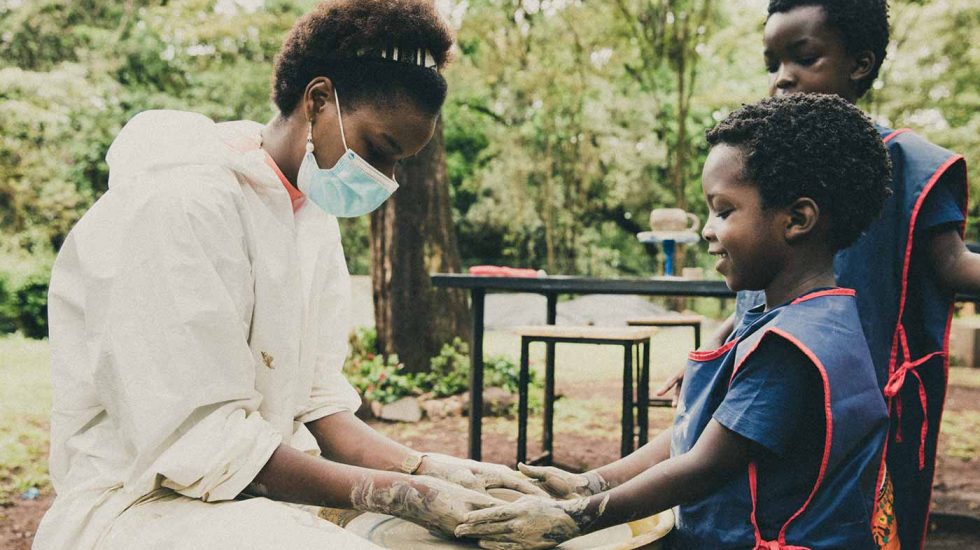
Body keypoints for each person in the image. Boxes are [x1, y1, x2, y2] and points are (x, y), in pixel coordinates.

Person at [34, 2, 544, 549]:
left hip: (245, 497)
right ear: (318, 100)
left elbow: (318, 406)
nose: (386, 179)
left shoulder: (307, 217)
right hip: (135, 504)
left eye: (400, 164)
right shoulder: (180, 203)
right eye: (379, 150)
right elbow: (202, 444)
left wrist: (429, 470)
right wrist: (398, 493)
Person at [456, 94, 892, 549]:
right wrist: (592, 483)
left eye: (723, 210)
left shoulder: (789, 348)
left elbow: (704, 464)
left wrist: (575, 517)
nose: (707, 229)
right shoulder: (823, 316)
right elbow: (697, 438)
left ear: (797, 219)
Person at [656, 2, 975, 546]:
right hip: (779, 366)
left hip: (862, 383)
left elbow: (953, 265)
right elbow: (762, 296)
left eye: (803, 58)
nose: (783, 78)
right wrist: (724, 342)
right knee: (755, 493)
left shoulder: (910, 164)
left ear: (859, 62)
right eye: (773, 63)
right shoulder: (765, 160)